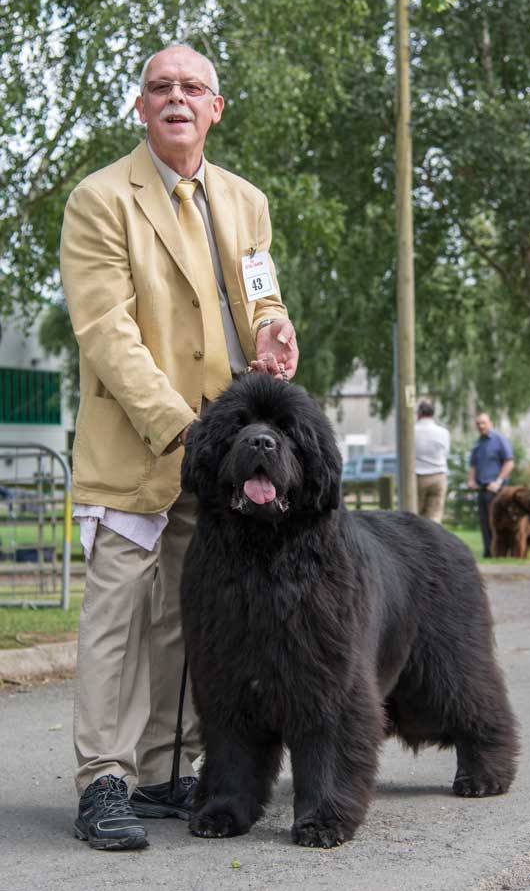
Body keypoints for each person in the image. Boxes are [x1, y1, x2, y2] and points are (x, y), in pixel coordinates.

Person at [60, 43, 298, 851]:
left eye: (193, 87)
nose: (177, 98)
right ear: (140, 107)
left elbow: (260, 294)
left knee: (190, 613)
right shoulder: (99, 200)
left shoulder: (247, 201)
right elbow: (105, 331)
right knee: (120, 615)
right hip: (143, 439)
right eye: (160, 87)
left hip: (222, 451)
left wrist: (274, 327)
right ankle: (105, 779)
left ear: (216, 108)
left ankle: (168, 768)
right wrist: (181, 425)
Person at [467, 413, 514, 558]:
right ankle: (488, 552)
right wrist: (471, 480)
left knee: (498, 523)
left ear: (490, 423)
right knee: (484, 522)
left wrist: (498, 481)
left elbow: (509, 462)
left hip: (496, 490)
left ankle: (500, 552)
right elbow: (473, 465)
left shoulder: (499, 440)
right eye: (478, 424)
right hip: (482, 489)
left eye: (483, 423)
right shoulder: (478, 443)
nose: (481, 426)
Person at [414, 399, 450, 523]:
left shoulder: (412, 431)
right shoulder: (443, 432)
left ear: (419, 413)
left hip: (418, 476)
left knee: (415, 515)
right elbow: (445, 452)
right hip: (438, 475)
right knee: (435, 515)